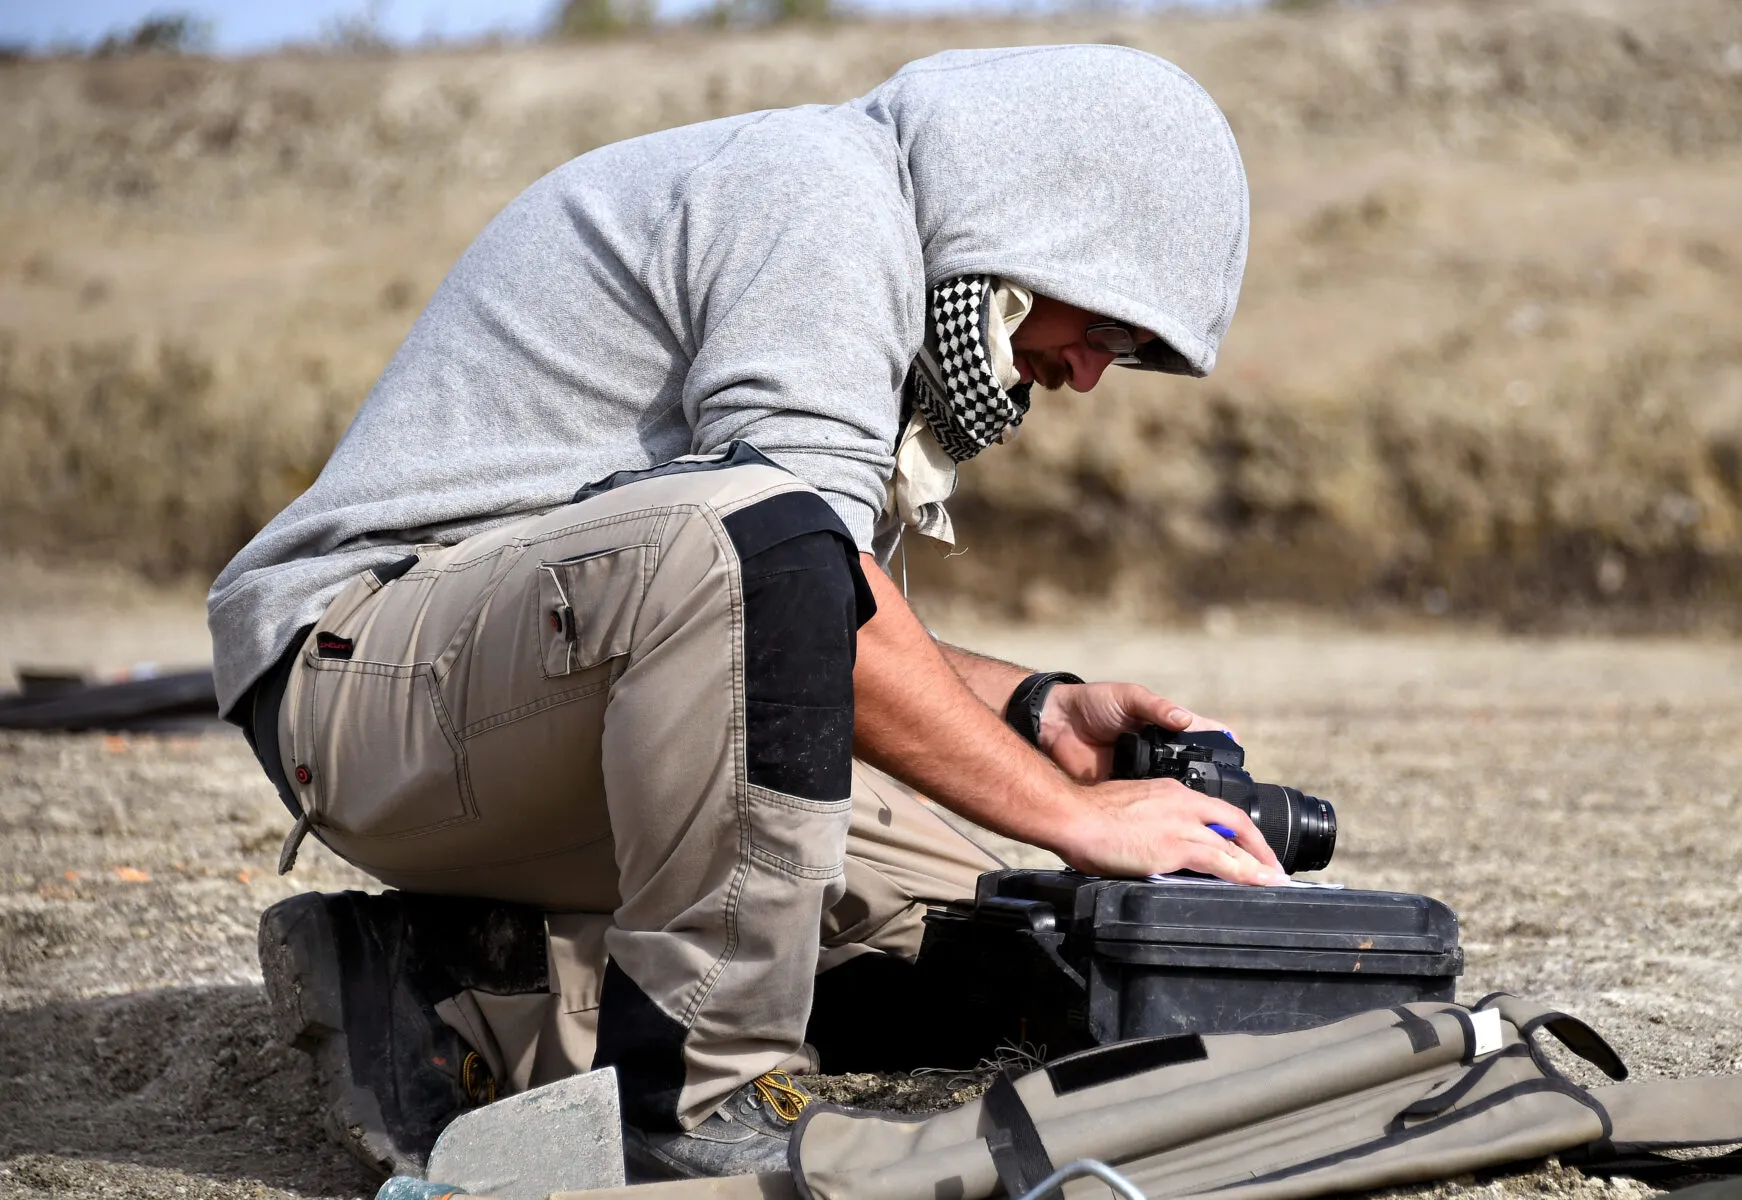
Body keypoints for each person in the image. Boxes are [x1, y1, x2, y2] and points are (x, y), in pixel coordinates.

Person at [212, 43, 1276, 1182]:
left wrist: (1035, 713)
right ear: (1045, 216)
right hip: (360, 688)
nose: (1085, 377)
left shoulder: (851, 219)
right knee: (769, 555)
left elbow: (799, 629)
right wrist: (1077, 820)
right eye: (1110, 330)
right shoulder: (817, 195)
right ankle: (699, 1096)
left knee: (973, 942)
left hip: (505, 687)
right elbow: (773, 574)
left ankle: (454, 991)